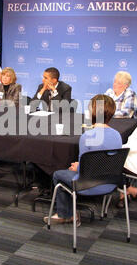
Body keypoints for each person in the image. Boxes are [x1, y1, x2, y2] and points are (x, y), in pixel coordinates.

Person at [44, 94, 122, 226]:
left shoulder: (88, 136)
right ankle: (67, 213)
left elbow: (86, 169)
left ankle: (66, 215)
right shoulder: (117, 135)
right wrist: (81, 165)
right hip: (111, 182)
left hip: (88, 184)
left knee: (58, 175)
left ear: (92, 111)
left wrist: (77, 167)